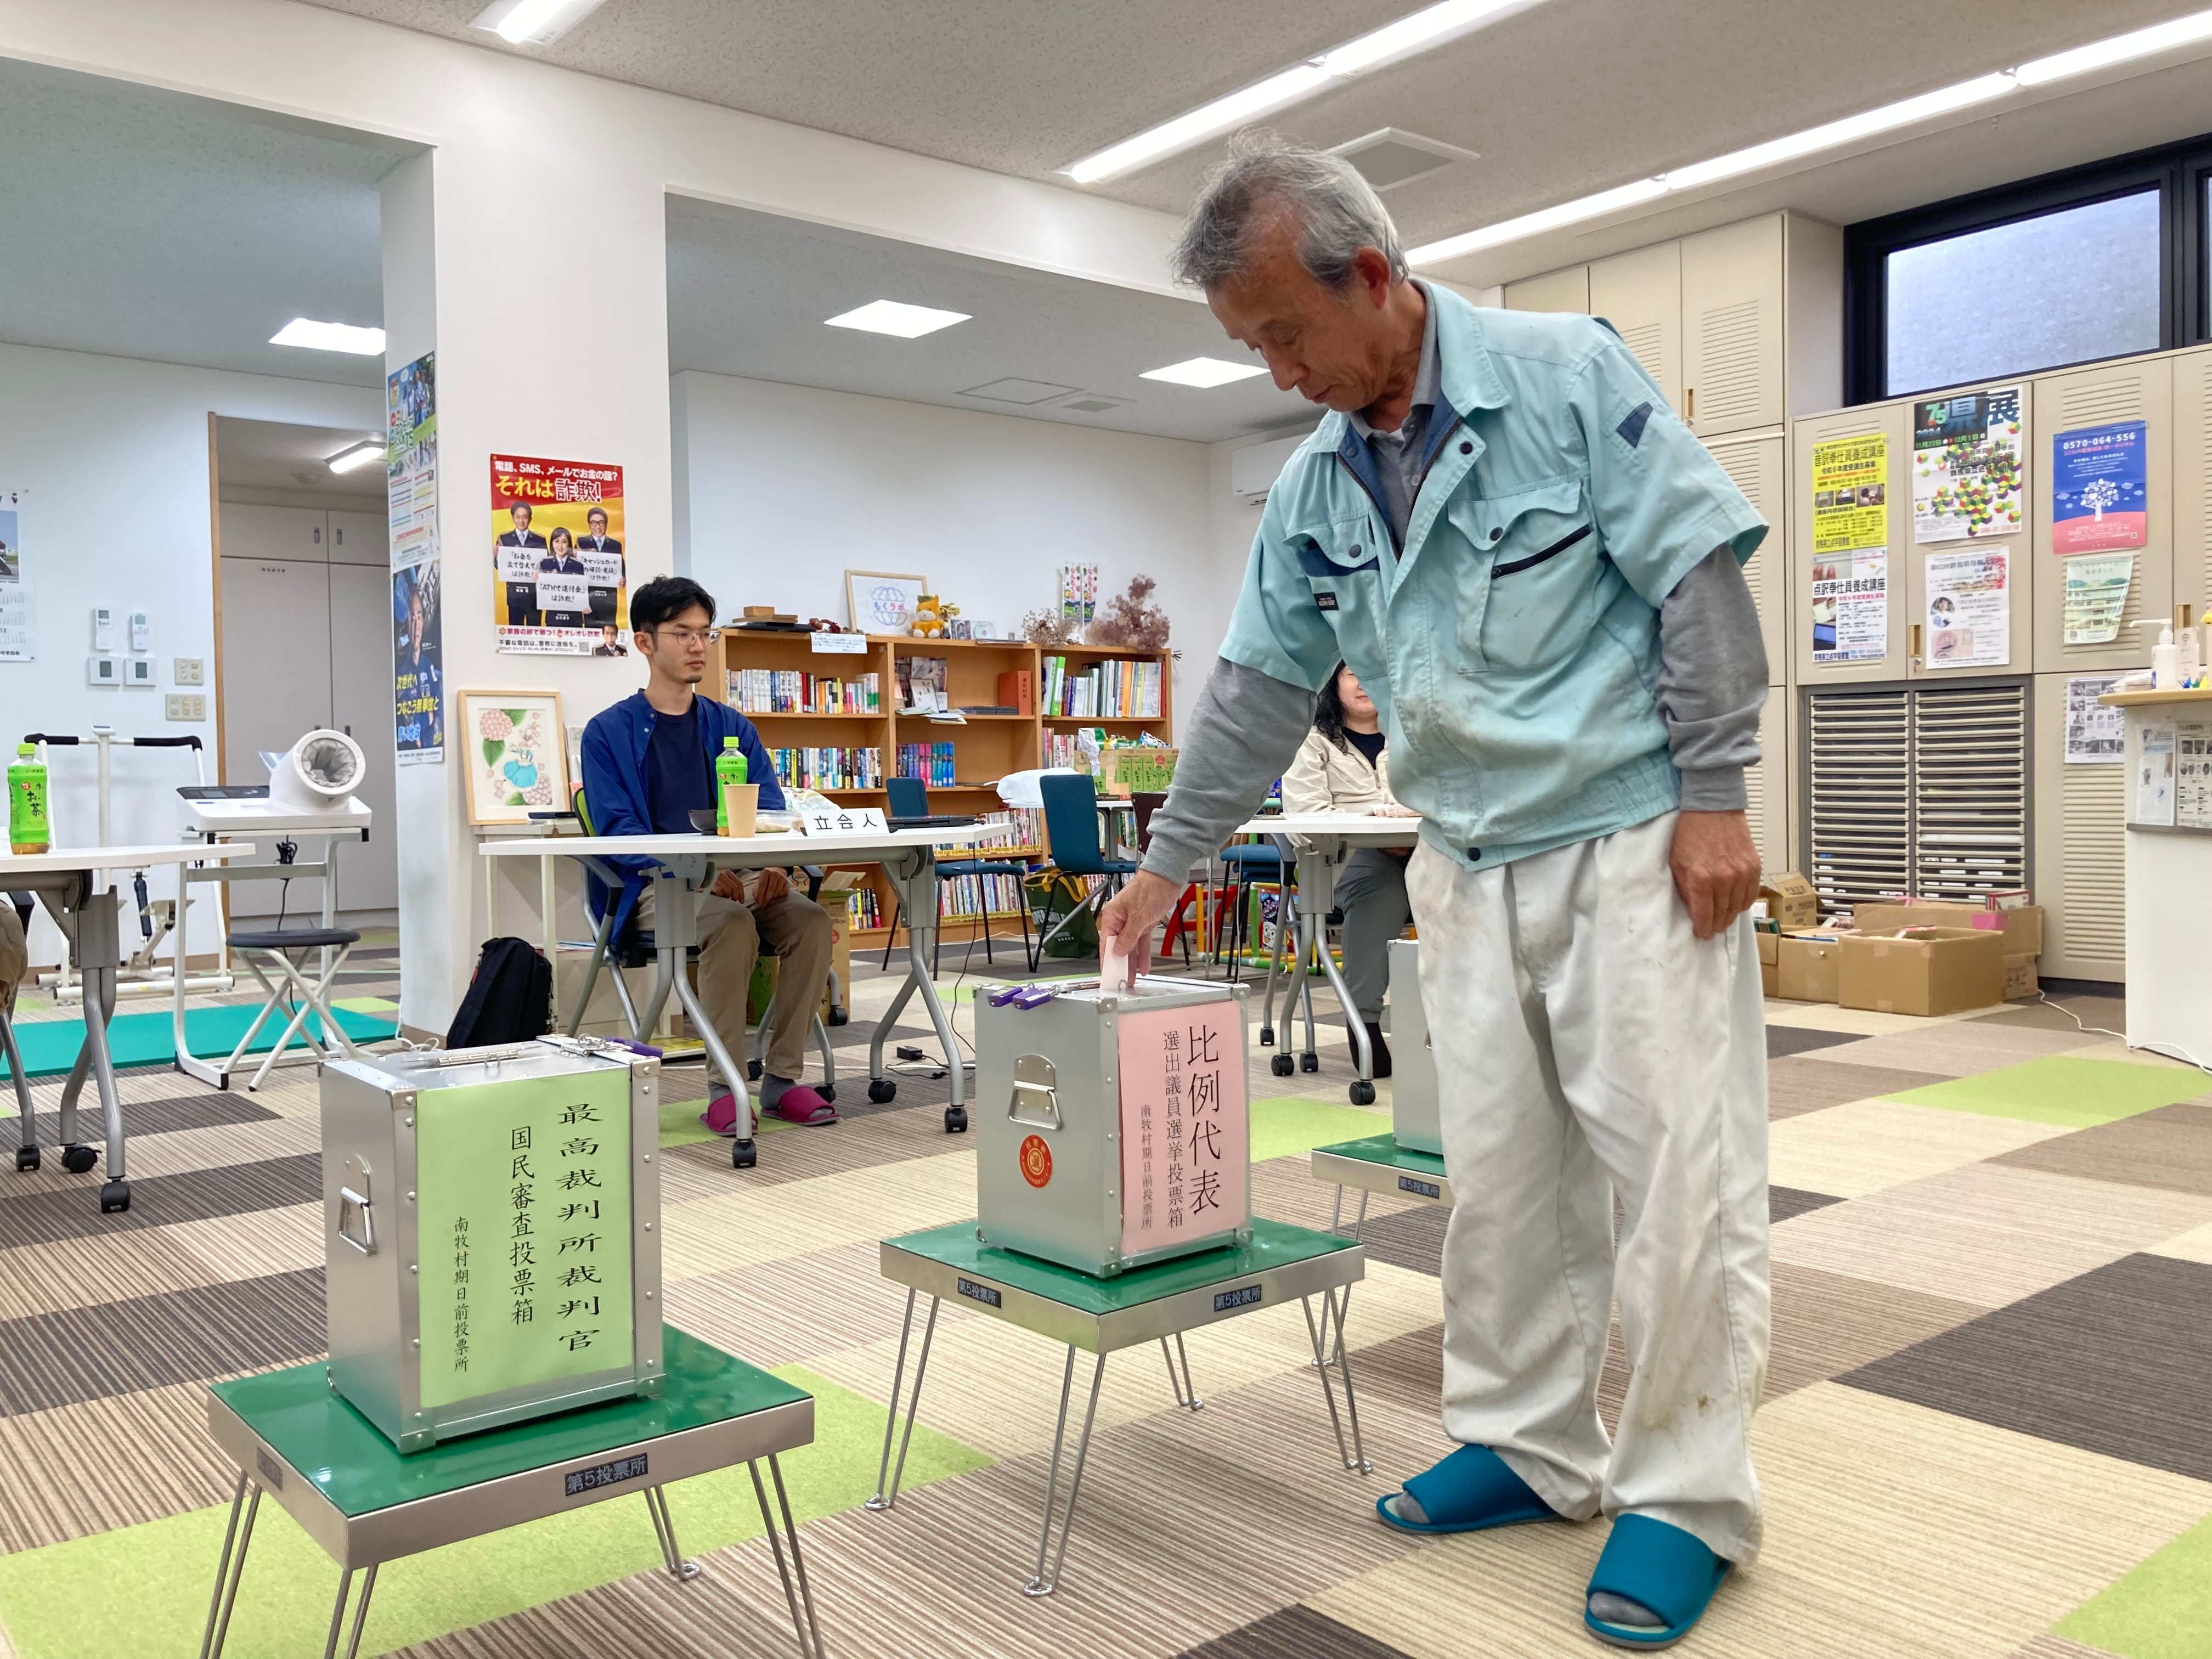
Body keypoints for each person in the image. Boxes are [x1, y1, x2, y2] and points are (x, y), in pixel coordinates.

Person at [1102, 137, 1770, 1651]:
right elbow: (1258, 688)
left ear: (1381, 281)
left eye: (1286, 332)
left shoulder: (1563, 378)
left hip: (1628, 841)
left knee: (1677, 1180)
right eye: (1249, 346)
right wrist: (1164, 866)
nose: (1277, 372)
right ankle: (1532, 1442)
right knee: (1503, 1179)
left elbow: (1696, 581)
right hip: (1458, 858)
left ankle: (1684, 1497)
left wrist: (1717, 799)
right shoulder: (1315, 481)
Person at [579, 575, 837, 1131]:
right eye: (682, 634)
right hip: (658, 889)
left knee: (812, 921)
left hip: (742, 879)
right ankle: (726, 1084)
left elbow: (769, 810)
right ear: (644, 643)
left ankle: (783, 1080)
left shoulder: (729, 725)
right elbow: (618, 831)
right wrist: (696, 877)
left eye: (704, 634)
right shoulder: (608, 733)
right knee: (730, 923)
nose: (698, 646)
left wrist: (773, 865)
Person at [1280, 662, 1416, 1075]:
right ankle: (1366, 1024)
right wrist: (1375, 830)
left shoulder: (1412, 736)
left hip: (1420, 850)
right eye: (1353, 673)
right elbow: (1305, 820)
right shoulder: (1312, 741)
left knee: (1468, 881)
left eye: (1374, 671)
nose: (1364, 683)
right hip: (1342, 860)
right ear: (1333, 683)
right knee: (1382, 893)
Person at [495, 501, 546, 628]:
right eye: (518, 517)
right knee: (515, 631)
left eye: (525, 517)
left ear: (530, 519)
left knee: (535, 631)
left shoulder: (539, 539)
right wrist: (496, 556)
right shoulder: (504, 538)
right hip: (514, 595)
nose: (521, 521)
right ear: (513, 518)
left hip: (534, 595)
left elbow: (545, 566)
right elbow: (498, 566)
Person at [579, 505, 623, 627]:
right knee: (590, 629)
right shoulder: (581, 542)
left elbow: (621, 569)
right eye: (594, 523)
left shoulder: (615, 545)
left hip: (609, 597)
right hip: (589, 596)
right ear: (589, 524)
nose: (598, 527)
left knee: (610, 629)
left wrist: (622, 579)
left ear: (606, 524)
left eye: (601, 523)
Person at [538, 525, 587, 628]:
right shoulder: (544, 563)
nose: (560, 546)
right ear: (552, 543)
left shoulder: (578, 565)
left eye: (564, 542)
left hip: (574, 618)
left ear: (569, 544)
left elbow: (582, 591)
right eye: (557, 541)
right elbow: (540, 593)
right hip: (553, 617)